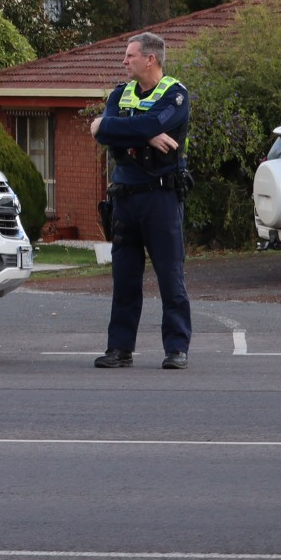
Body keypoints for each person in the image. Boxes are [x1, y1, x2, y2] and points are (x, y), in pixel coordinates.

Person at [89, 32, 192, 369]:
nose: (124, 61)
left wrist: (123, 125)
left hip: (160, 198)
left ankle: (176, 349)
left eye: (130, 56)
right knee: (124, 280)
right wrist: (144, 132)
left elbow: (115, 126)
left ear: (150, 59)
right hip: (125, 200)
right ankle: (120, 349)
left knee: (170, 277)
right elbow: (102, 130)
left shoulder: (175, 95)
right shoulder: (121, 93)